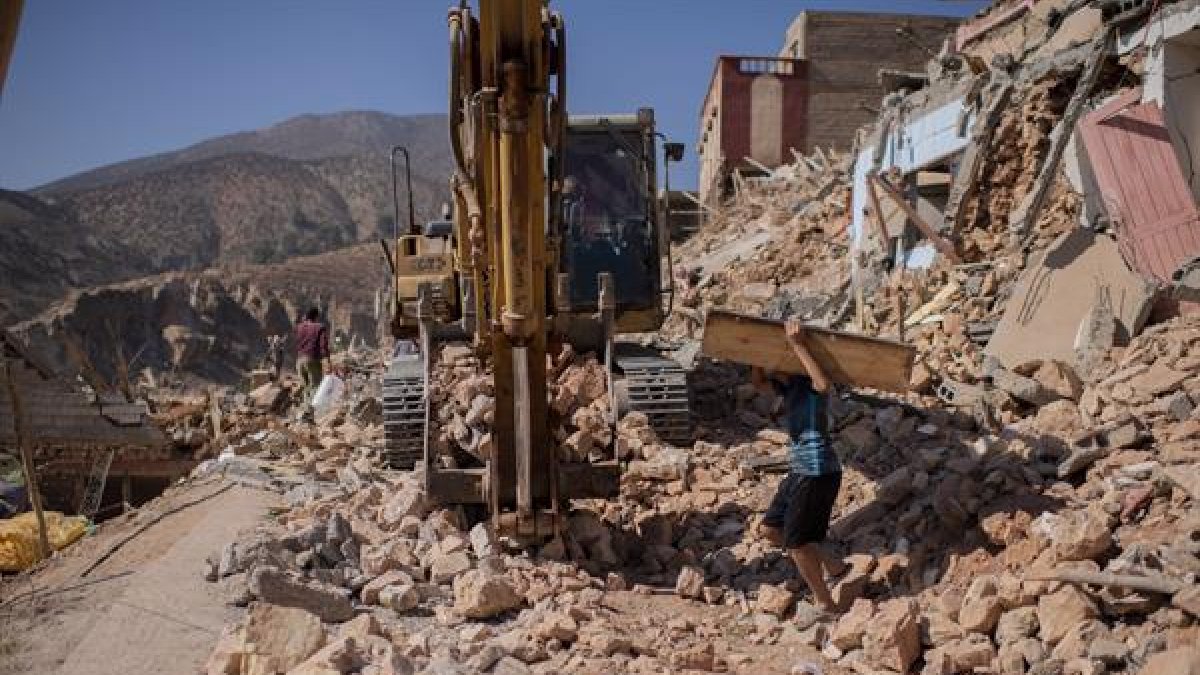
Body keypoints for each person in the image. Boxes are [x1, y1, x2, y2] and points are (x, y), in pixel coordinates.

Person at [753, 318, 845, 614]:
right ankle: (833, 564)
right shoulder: (789, 386)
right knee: (770, 529)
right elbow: (758, 383)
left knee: (796, 543)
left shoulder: (808, 384)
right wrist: (754, 356)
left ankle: (825, 603)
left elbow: (823, 384)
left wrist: (798, 344)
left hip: (817, 471)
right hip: (800, 470)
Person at [294, 307, 331, 410]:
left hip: (299, 361)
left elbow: (297, 343)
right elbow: (323, 346)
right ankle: (312, 413)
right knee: (315, 386)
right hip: (312, 360)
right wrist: (328, 362)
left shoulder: (299, 327)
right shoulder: (319, 327)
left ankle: (306, 411)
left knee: (306, 387)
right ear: (316, 316)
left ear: (305, 316)